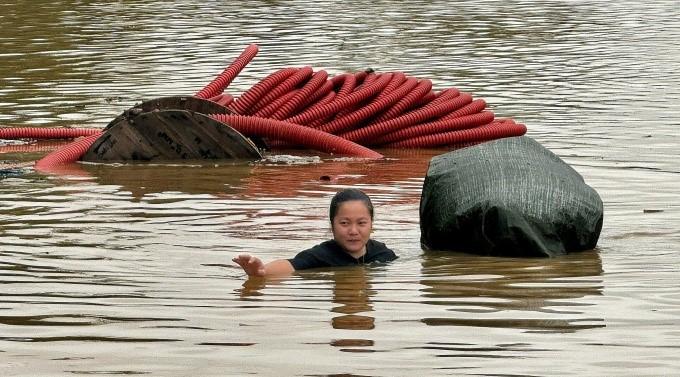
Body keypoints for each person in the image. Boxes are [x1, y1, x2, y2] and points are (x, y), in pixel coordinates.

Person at [233, 188, 398, 277]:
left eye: (361, 223)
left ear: (371, 224)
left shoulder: (382, 254)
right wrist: (262, 271)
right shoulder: (322, 255)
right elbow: (291, 265)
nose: (353, 231)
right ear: (332, 225)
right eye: (344, 223)